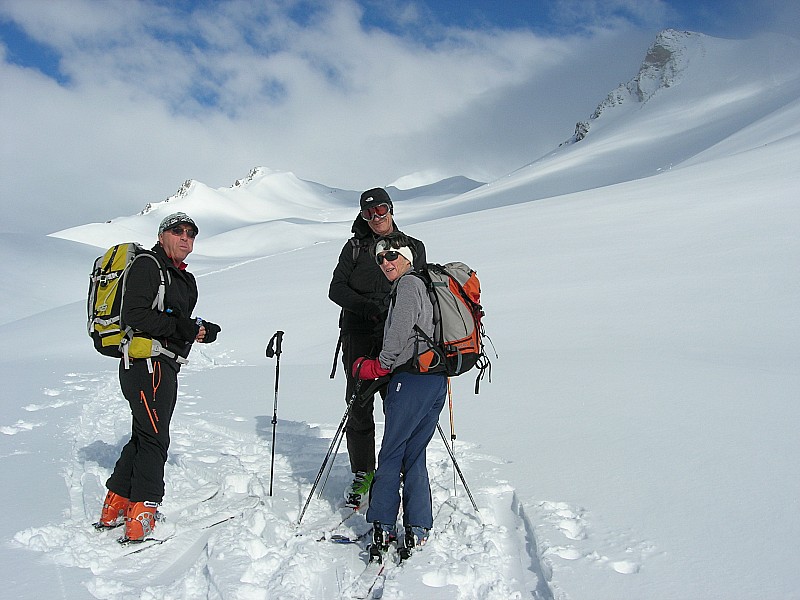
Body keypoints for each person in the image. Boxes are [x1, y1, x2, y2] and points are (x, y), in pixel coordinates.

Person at [96, 212, 221, 541]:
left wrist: (200, 331)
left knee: (144, 434)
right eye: (178, 231)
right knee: (155, 439)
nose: (185, 237)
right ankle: (143, 513)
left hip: (163, 364)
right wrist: (184, 328)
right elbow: (135, 314)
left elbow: (176, 320)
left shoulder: (181, 277)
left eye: (191, 233)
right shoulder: (148, 265)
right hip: (145, 364)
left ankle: (116, 504)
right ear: (162, 235)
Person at [329, 188, 426, 508]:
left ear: (391, 209)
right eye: (369, 213)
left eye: (381, 210)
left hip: (399, 336)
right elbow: (336, 289)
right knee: (358, 402)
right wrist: (368, 307)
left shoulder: (412, 247)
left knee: (398, 403)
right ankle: (363, 472)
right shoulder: (354, 247)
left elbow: (421, 288)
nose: (376, 218)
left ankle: (395, 466)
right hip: (359, 335)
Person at [352, 232, 447, 561]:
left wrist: (379, 366)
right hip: (435, 381)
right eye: (380, 258)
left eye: (392, 255)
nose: (385, 262)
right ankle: (419, 525)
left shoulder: (408, 285)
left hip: (411, 380)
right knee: (414, 451)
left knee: (391, 453)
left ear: (408, 257)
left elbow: (400, 329)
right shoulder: (428, 284)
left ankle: (382, 522)